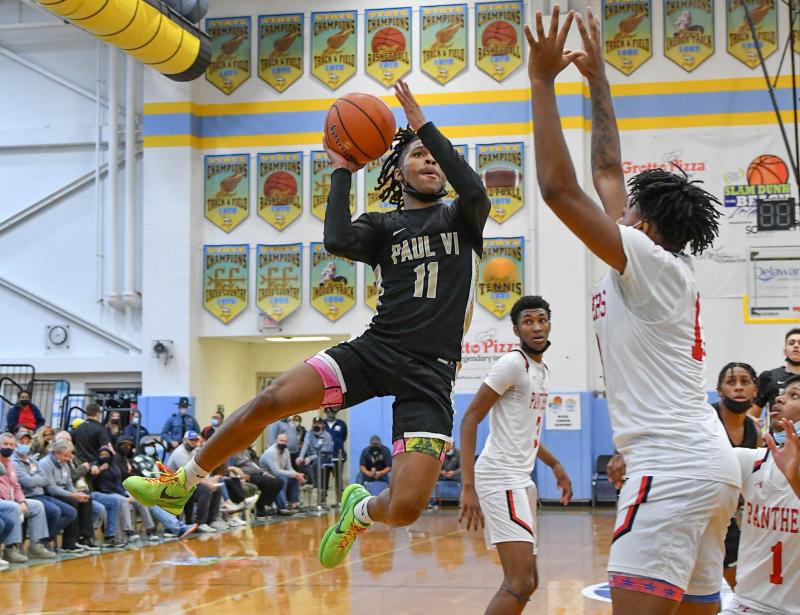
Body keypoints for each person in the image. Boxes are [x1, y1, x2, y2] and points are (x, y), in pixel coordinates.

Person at [123, 79, 491, 571]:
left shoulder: (463, 217)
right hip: (376, 350)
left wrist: (423, 124)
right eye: (419, 154)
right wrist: (340, 170)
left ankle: (358, 509)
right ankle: (182, 482)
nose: (430, 162)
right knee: (271, 399)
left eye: (435, 156)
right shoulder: (383, 227)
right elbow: (337, 239)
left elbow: (472, 186)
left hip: (432, 373)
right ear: (397, 168)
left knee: (404, 509)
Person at [525, 9, 740, 612]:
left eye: (628, 208)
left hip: (670, 470)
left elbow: (560, 189)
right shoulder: (660, 260)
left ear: (644, 224)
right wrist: (598, 84)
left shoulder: (645, 257)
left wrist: (541, 84)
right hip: (705, 468)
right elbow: (606, 169)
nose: (616, 207)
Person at [460, 296, 572, 613]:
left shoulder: (541, 370)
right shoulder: (512, 364)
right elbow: (470, 420)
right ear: (516, 329)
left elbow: (527, 436)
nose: (536, 327)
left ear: (549, 324)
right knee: (519, 581)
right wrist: (467, 487)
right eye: (528, 321)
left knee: (530, 580)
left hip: (520, 479)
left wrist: (556, 465)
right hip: (499, 476)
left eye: (541, 320)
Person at [721, 375, 800, 615]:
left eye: (794, 395)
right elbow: (694, 460)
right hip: (746, 605)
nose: (779, 397)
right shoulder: (751, 461)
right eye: (783, 393)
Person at [12, 428, 77, 554]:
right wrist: (37, 479)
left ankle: (46, 538)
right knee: (55, 511)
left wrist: (35, 479)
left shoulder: (32, 460)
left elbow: (45, 479)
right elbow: (28, 483)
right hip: (30, 496)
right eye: (22, 442)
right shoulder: (15, 462)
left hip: (40, 494)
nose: (25, 445)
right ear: (16, 444)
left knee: (70, 512)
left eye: (27, 442)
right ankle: (40, 542)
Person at [0, 433, 56, 560]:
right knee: (14, 508)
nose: (8, 447)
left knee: (37, 506)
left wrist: (22, 501)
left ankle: (35, 546)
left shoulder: (11, 464)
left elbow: (17, 487)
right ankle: (10, 549)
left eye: (11, 445)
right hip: (3, 501)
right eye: (5, 444)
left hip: (13, 499)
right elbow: (28, 482)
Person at [39, 439, 100, 552]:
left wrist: (76, 493)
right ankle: (68, 542)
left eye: (70, 455)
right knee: (73, 502)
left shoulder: (64, 464)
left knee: (86, 498)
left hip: (63, 493)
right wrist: (72, 495)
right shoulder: (45, 463)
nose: (69, 458)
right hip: (50, 494)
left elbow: (69, 484)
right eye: (66, 456)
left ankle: (84, 538)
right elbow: (50, 488)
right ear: (56, 453)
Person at [166, 431, 221, 533]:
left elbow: (201, 468)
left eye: (196, 440)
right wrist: (208, 483)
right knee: (205, 490)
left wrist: (210, 480)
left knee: (217, 489)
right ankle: (200, 523)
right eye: (191, 440)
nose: (193, 442)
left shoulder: (195, 451)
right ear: (184, 440)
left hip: (189, 483)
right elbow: (190, 474)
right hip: (176, 486)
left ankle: (212, 520)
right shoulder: (179, 453)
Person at [755, 328, 800, 416]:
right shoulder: (769, 377)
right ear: (784, 351)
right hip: (776, 429)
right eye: (791, 343)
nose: (796, 346)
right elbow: (752, 416)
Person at [227, 448, 283, 518]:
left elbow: (256, 466)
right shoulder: (233, 453)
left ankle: (263, 505)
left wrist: (265, 473)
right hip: (248, 476)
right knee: (269, 483)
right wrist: (239, 476)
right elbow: (229, 468)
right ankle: (260, 508)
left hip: (258, 474)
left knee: (279, 482)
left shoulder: (247, 451)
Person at [260, 433, 305, 512]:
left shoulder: (286, 451)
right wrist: (295, 474)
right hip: (267, 476)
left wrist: (297, 475)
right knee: (282, 479)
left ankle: (293, 503)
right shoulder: (270, 452)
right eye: (281, 441)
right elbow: (276, 471)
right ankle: (282, 506)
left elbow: (289, 468)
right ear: (276, 441)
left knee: (294, 479)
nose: (283, 443)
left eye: (285, 441)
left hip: (279, 474)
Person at [297, 418, 335, 497]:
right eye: (315, 423)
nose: (316, 426)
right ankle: (309, 482)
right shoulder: (309, 433)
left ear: (322, 425)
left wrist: (310, 458)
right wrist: (301, 457)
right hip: (312, 456)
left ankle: (318, 487)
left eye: (319, 424)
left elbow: (323, 452)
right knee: (300, 463)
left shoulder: (327, 436)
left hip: (325, 456)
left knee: (315, 464)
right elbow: (305, 445)